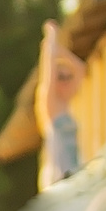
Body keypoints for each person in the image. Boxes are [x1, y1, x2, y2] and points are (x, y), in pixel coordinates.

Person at [35, 19, 88, 190]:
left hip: (71, 174)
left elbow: (80, 69)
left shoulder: (66, 105)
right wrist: (51, 38)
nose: (66, 82)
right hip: (57, 176)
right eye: (61, 77)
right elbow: (47, 76)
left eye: (68, 77)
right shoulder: (50, 105)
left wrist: (61, 53)